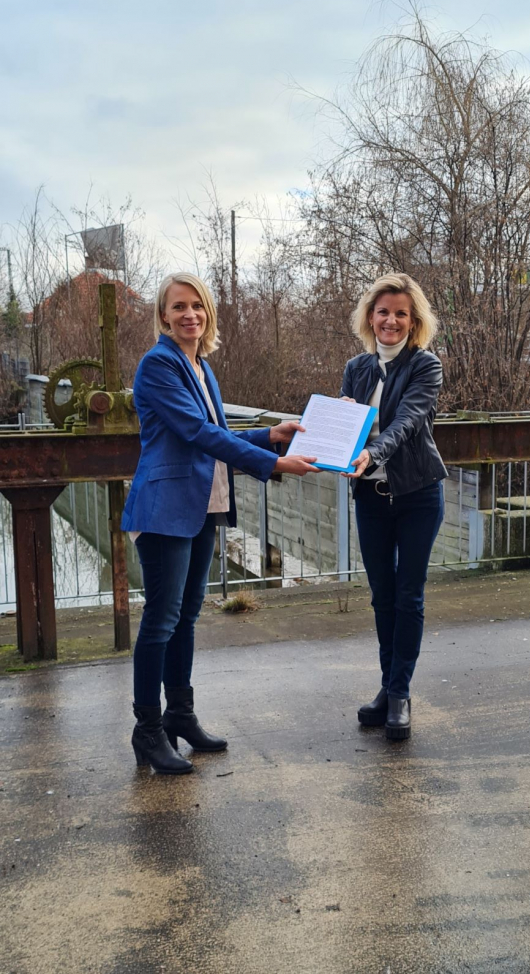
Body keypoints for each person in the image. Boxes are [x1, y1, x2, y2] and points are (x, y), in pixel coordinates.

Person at [122, 272, 318, 774]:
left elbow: (219, 433)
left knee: (185, 617)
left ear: (207, 314)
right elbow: (196, 433)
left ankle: (179, 716)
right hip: (166, 509)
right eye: (179, 307)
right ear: (163, 315)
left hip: (203, 505)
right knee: (161, 621)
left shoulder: (200, 366)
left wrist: (270, 434)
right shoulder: (158, 365)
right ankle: (147, 731)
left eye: (198, 306)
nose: (190, 314)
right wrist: (275, 463)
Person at [341, 273, 448, 740]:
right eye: (383, 311)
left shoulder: (426, 366)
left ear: (414, 320)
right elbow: (349, 430)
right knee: (382, 596)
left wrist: (373, 452)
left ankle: (401, 693)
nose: (391, 320)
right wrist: (340, 441)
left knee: (409, 594)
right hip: (371, 497)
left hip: (418, 494)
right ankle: (387, 687)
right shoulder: (356, 368)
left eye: (401, 313)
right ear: (370, 317)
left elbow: (406, 422)